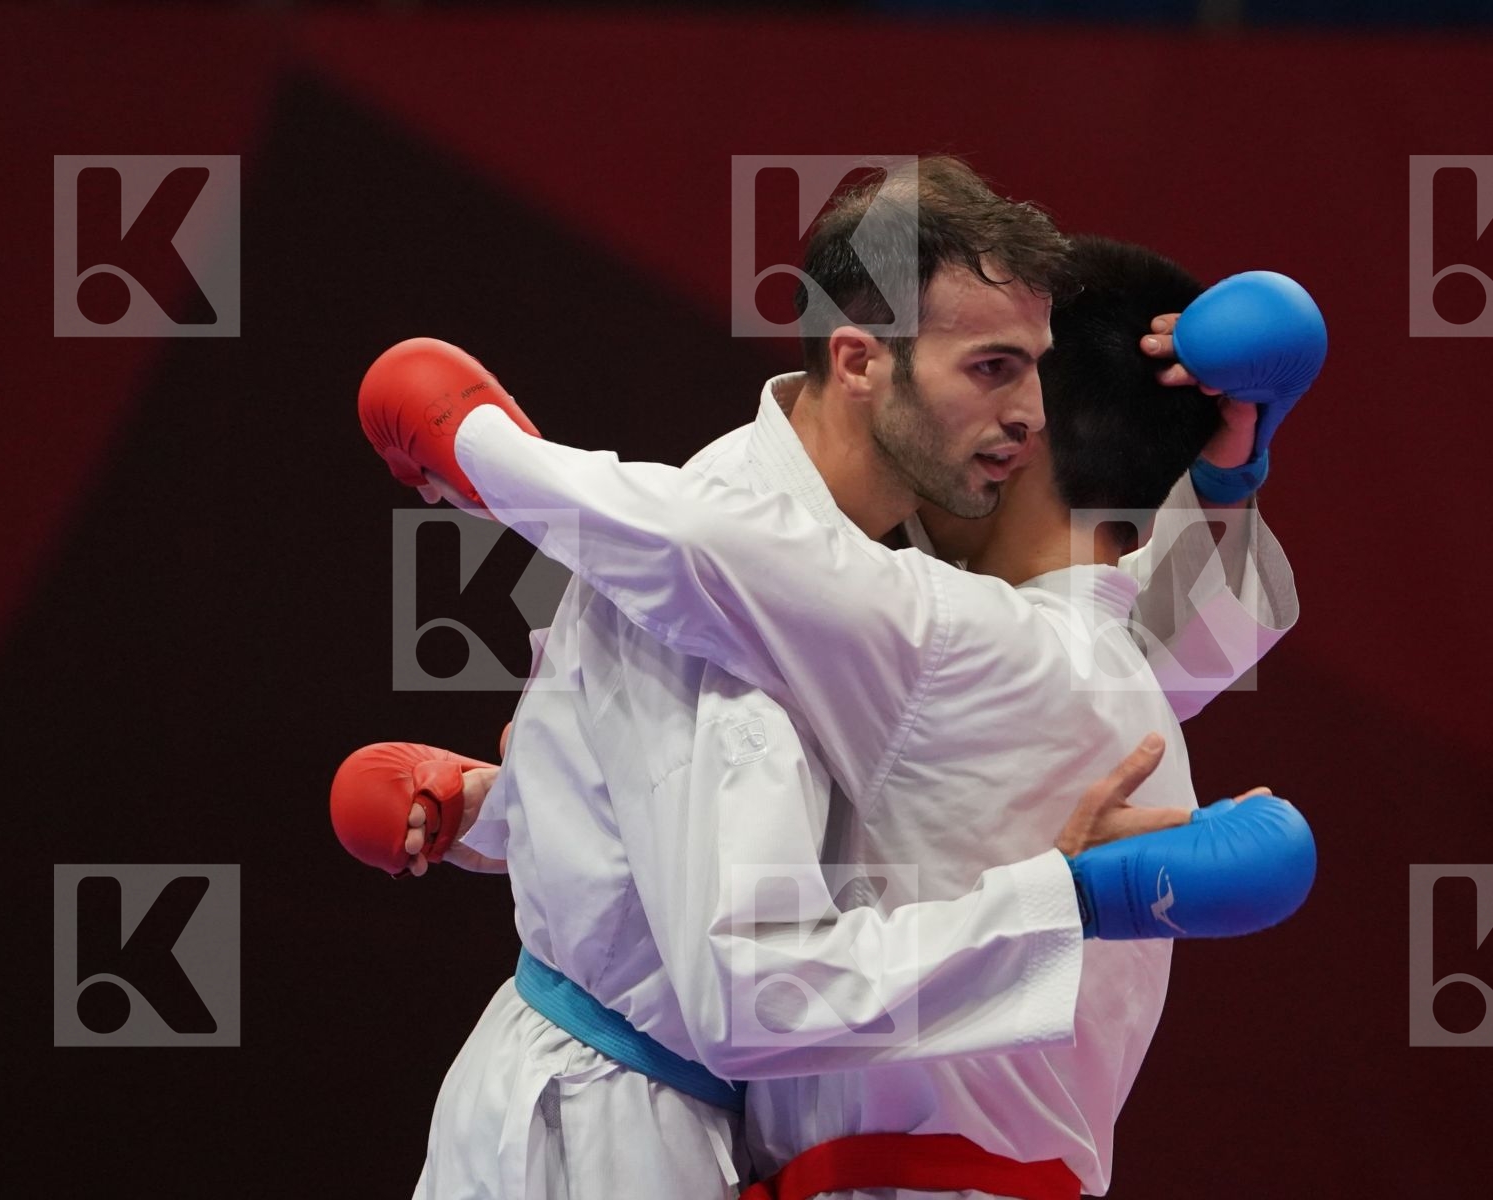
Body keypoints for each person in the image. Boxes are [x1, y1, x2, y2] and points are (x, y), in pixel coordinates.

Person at [361, 161, 1307, 1198]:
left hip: (681, 1123)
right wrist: (489, 455)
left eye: (1038, 373)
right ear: (860, 360)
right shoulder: (759, 584)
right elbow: (746, 982)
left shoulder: (896, 597)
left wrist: (500, 806)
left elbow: (1090, 661)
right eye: (993, 369)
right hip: (602, 1136)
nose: (1030, 413)